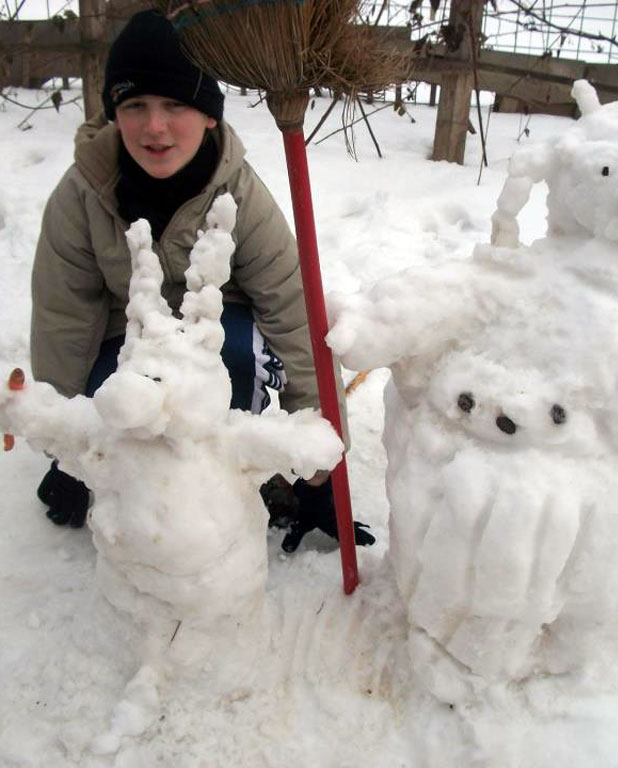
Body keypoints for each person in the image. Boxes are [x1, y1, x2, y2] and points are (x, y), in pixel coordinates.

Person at [29, 10, 373, 550]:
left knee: (236, 358)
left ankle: (232, 476)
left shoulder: (239, 192)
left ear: (209, 115)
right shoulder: (82, 195)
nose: (155, 126)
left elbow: (293, 312)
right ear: (114, 114)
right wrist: (65, 445)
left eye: (175, 104)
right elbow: (62, 320)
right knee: (114, 405)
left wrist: (322, 457)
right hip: (130, 343)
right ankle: (141, 478)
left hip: (221, 336)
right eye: (135, 105)